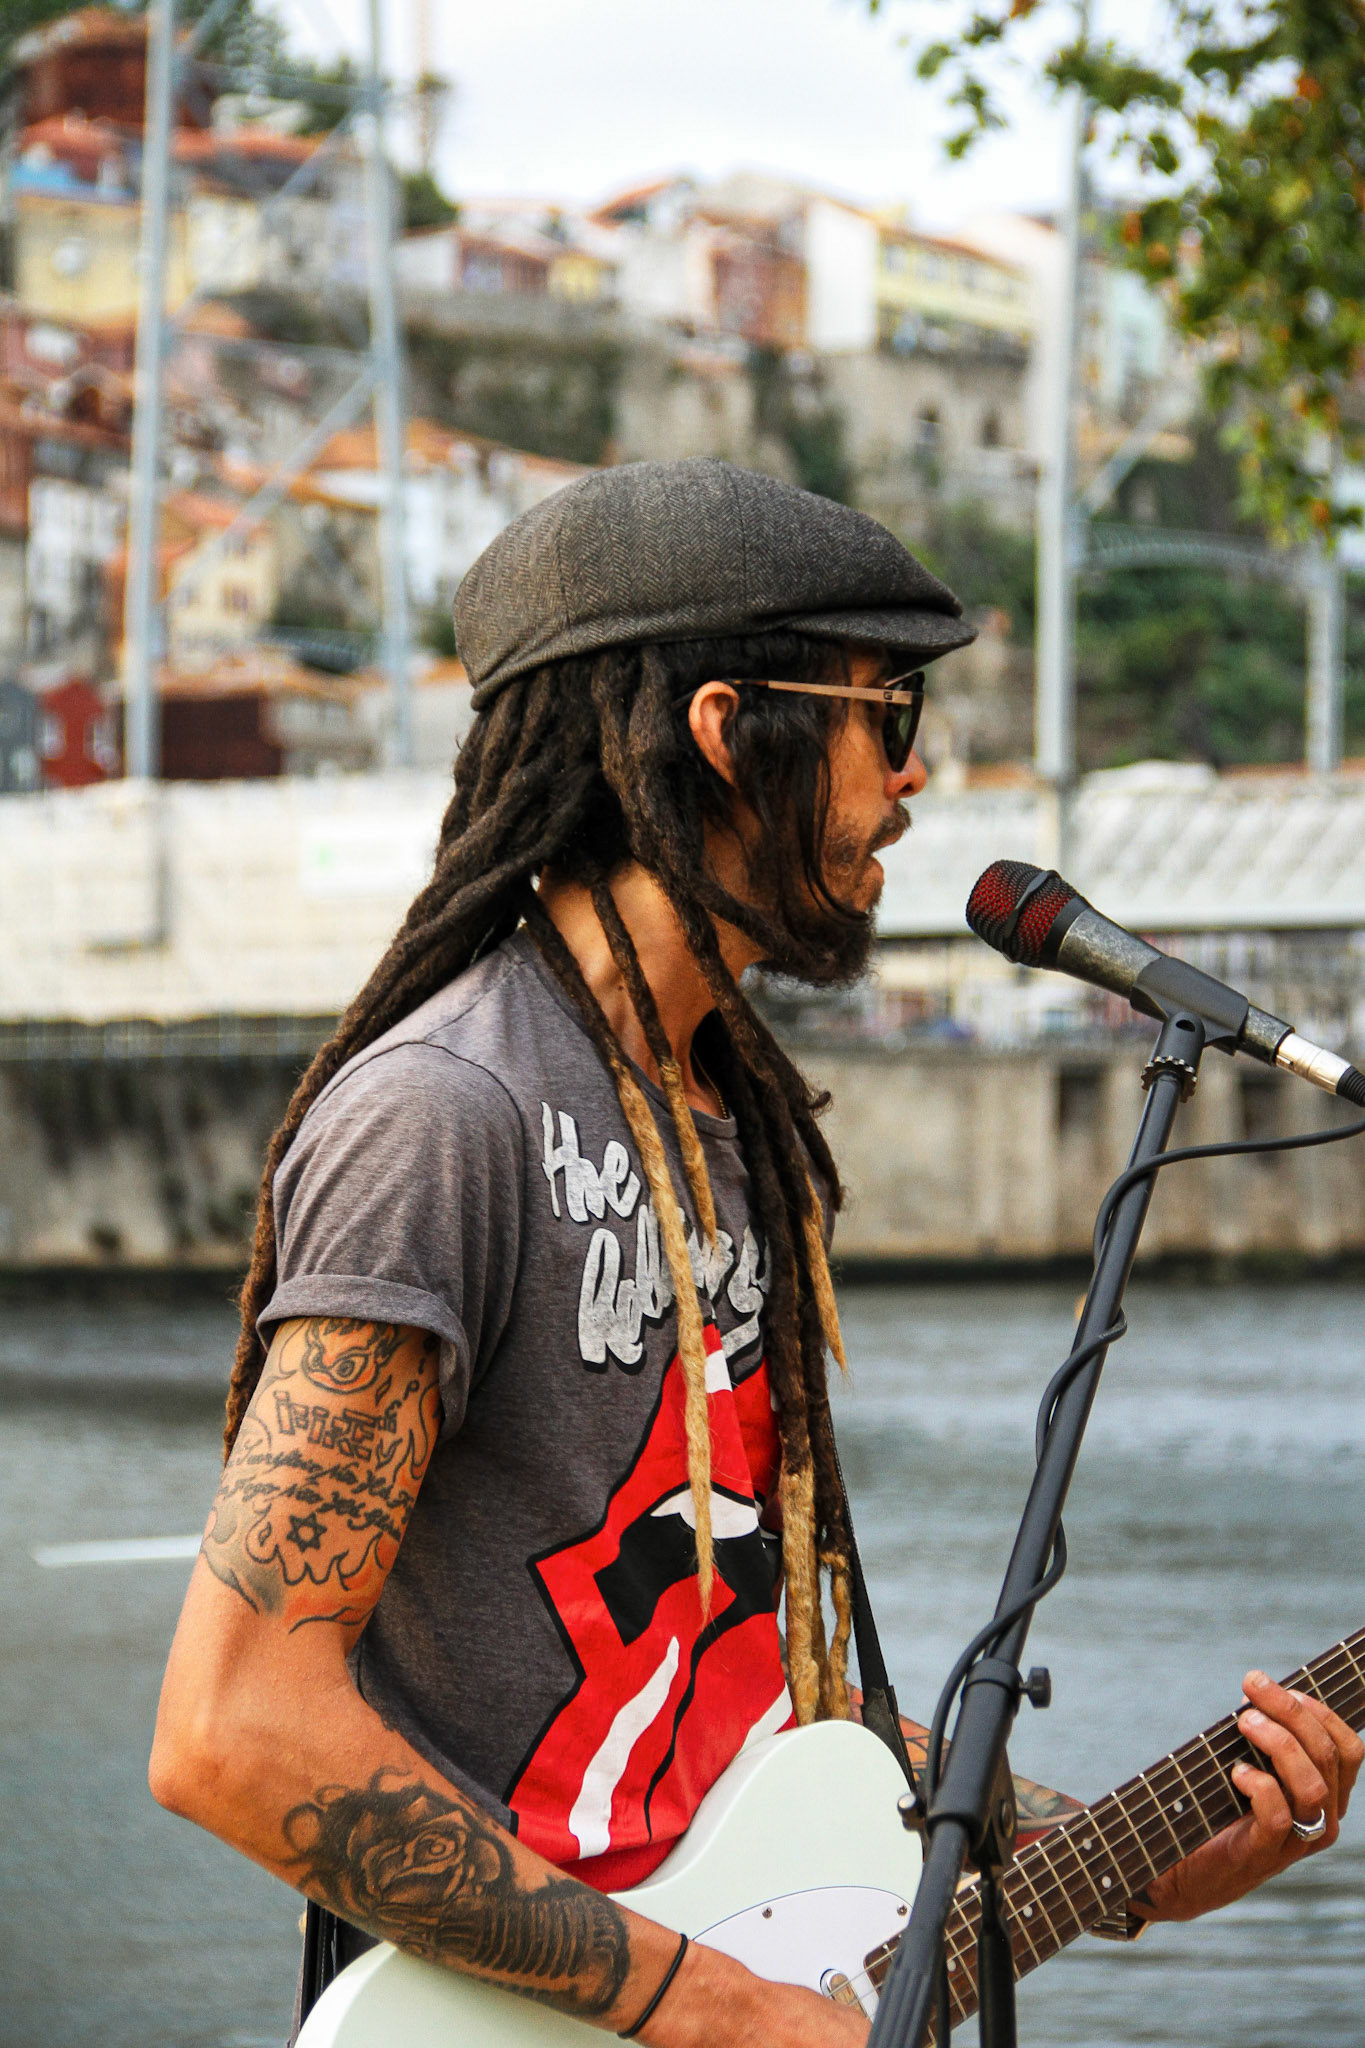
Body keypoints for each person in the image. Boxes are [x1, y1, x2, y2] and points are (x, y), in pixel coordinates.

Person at [151, 460, 1361, 2046]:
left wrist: (1135, 1861)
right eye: (885, 714)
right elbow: (234, 1729)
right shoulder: (445, 1115)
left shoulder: (737, 1133)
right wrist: (717, 2008)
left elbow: (766, 1724)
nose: (910, 781)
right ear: (725, 730)